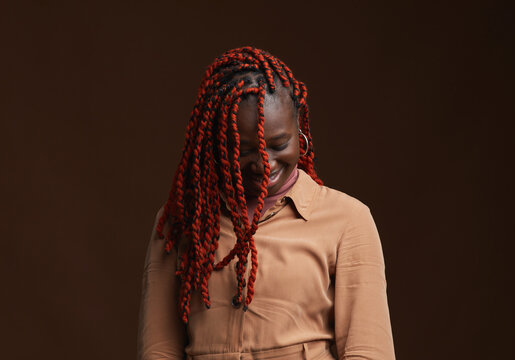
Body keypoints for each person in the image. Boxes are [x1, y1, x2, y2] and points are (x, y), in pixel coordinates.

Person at [138, 46, 395, 360]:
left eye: (278, 144)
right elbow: (159, 350)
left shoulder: (348, 220)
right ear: (215, 144)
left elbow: (368, 352)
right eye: (242, 148)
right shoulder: (180, 220)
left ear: (301, 135)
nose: (263, 162)